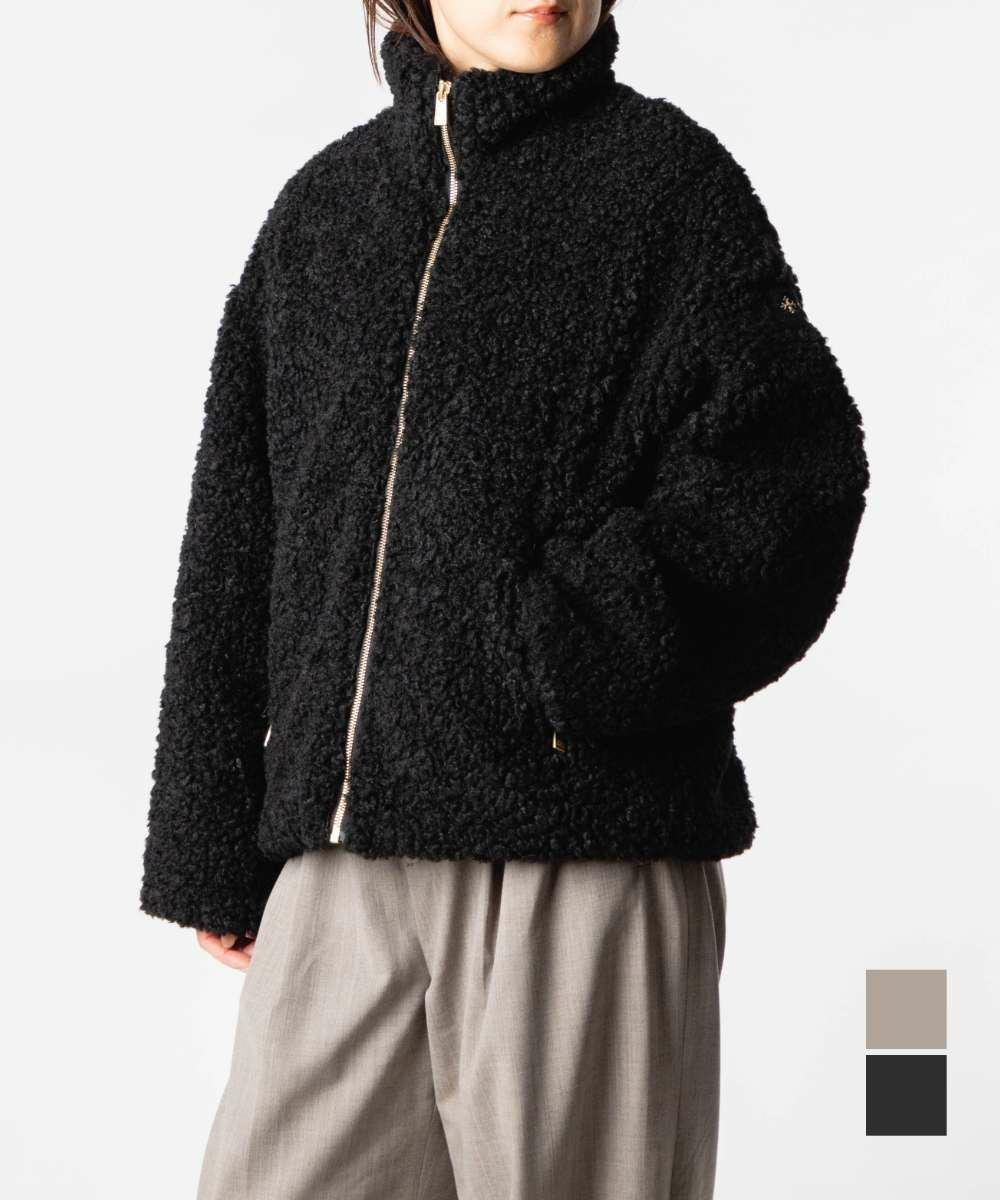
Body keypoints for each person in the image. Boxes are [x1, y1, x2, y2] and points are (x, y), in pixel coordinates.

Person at [139, 2, 870, 1197]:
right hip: (343, 861)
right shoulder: (322, 215)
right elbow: (237, 536)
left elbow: (786, 485)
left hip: (579, 843)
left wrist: (568, 651)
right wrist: (208, 834)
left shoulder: (665, 187)